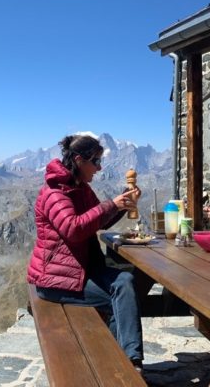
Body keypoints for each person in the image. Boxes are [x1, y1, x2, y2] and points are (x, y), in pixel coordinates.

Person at [27, 134, 144, 371]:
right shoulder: (54, 192)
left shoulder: (81, 188)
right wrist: (112, 205)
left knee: (125, 282)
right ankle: (127, 365)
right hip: (55, 281)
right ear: (79, 160)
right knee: (120, 296)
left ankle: (125, 364)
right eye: (96, 161)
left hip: (80, 272)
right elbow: (74, 229)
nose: (99, 168)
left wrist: (123, 204)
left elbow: (98, 222)